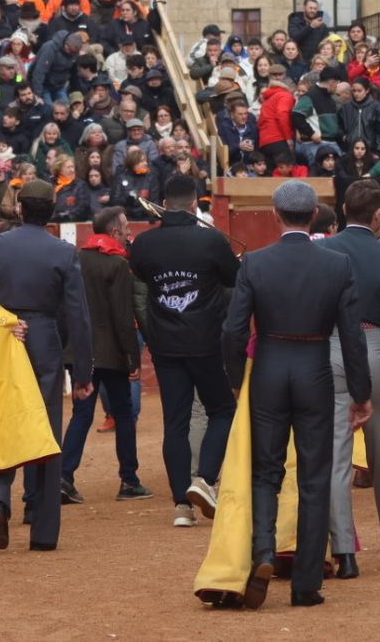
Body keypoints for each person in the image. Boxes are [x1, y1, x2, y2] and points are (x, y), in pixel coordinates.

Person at [222, 180, 371, 609]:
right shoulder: (337, 264)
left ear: (276, 214)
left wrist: (236, 379)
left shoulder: (255, 263)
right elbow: (352, 337)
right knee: (314, 474)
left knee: (266, 471)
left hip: (269, 365)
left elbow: (233, 330)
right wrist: (360, 394)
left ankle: (264, 552)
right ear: (313, 217)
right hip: (314, 368)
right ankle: (306, 583)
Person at [0, 179, 92, 552]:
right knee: (44, 432)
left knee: (4, 419)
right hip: (45, 341)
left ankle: (0, 497)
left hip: (4, 339)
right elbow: (79, 316)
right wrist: (82, 373)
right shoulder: (63, 252)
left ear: (18, 208)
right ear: (53, 211)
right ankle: (43, 531)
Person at [128, 173, 240, 527]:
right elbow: (232, 280)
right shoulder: (210, 241)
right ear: (194, 203)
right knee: (223, 410)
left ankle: (181, 505)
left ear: (164, 201)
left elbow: (143, 278)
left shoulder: (144, 244)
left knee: (174, 421)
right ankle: (205, 480)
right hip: (205, 342)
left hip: (165, 343)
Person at [316, 179, 380, 574]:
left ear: (343, 209)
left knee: (336, 455)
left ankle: (344, 552)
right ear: (378, 216)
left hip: (328, 351)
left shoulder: (322, 249)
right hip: (374, 350)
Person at [63, 205, 150, 503]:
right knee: (124, 413)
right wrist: (132, 359)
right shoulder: (117, 264)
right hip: (111, 351)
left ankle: (64, 475)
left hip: (81, 349)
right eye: (126, 228)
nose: (129, 234)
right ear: (114, 232)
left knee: (82, 413)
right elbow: (124, 318)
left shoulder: (77, 258)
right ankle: (129, 480)